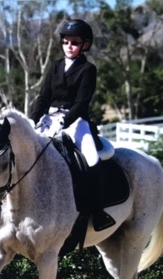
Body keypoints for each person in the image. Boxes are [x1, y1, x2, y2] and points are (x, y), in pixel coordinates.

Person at [29, 19, 115, 231]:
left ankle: (97, 211)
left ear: (84, 45)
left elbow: (81, 103)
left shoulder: (88, 69)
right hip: (50, 119)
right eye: (66, 42)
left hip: (76, 121)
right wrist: (32, 119)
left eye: (74, 43)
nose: (69, 46)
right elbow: (43, 97)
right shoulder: (55, 67)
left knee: (92, 159)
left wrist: (64, 122)